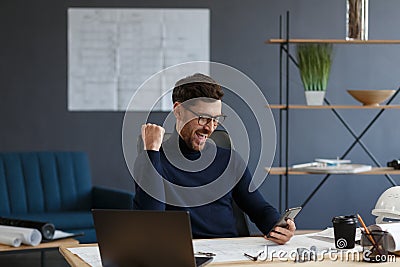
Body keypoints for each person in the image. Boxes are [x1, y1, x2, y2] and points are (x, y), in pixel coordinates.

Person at [133, 73, 295, 244]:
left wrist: (278, 226)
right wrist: (151, 152)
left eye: (216, 119)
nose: (210, 128)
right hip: (183, 254)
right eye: (203, 118)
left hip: (230, 253)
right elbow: (150, 223)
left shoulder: (228, 159)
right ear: (178, 111)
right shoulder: (153, 160)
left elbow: (259, 208)